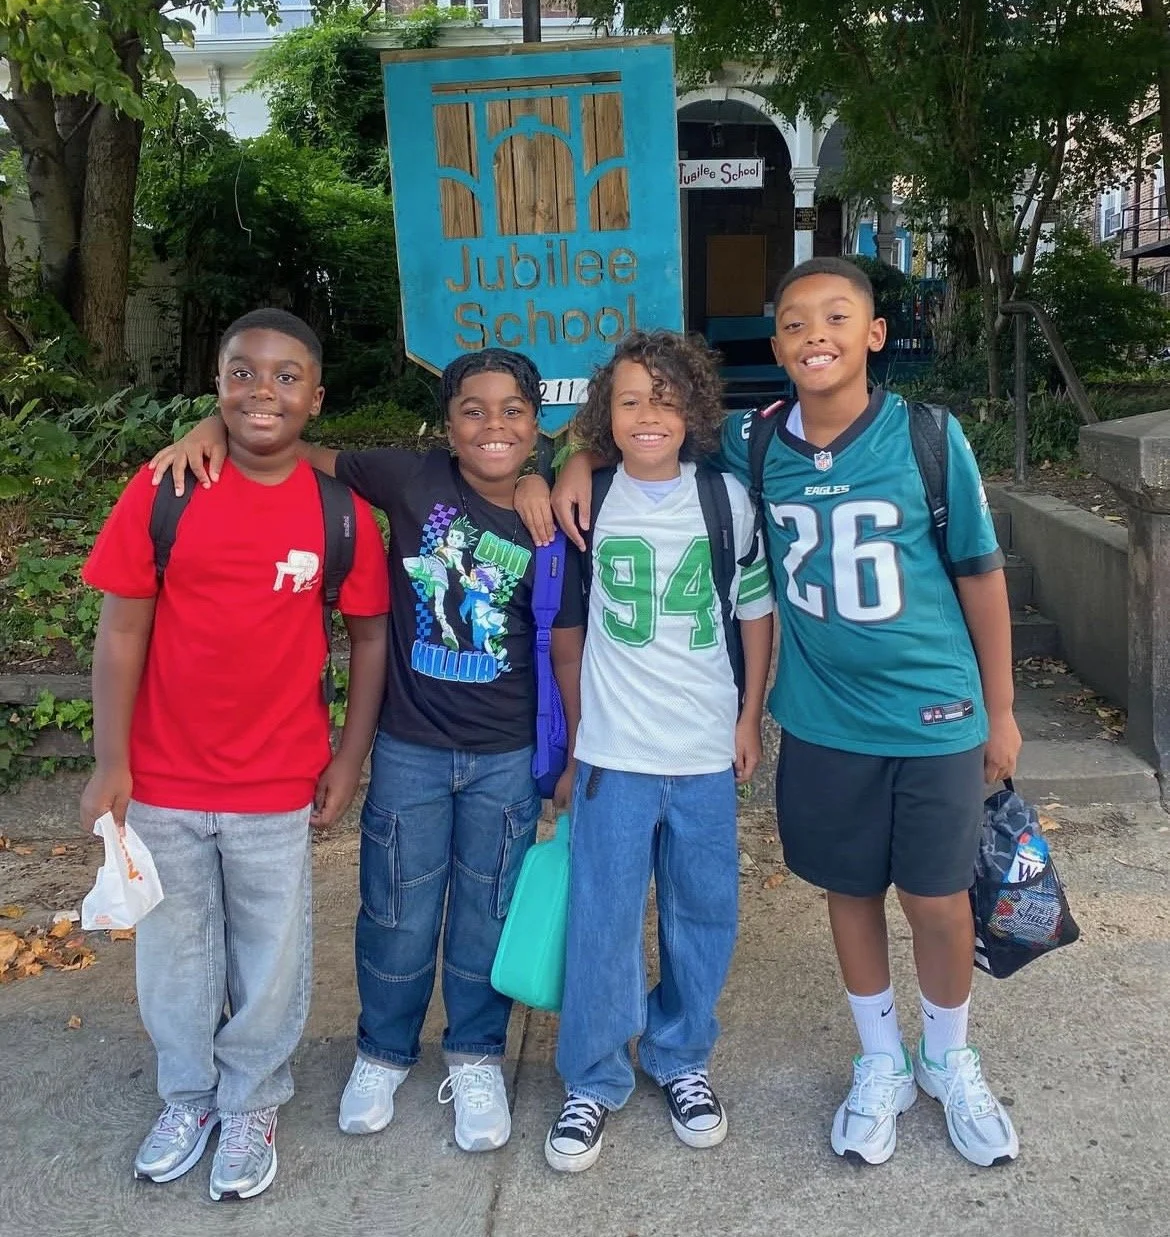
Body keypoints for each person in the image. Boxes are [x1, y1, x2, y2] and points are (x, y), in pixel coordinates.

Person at [534, 258, 1023, 1169]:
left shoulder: (927, 436)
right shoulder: (757, 448)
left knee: (934, 895)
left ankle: (948, 1055)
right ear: (775, 343)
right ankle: (878, 1058)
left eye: (837, 316)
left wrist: (1001, 709)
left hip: (932, 713)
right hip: (822, 719)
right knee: (846, 889)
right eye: (794, 322)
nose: (815, 335)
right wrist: (575, 451)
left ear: (876, 332)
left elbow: (981, 574)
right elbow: (645, 436)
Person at [149, 347, 584, 1155]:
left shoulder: (553, 519)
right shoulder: (408, 478)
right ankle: (383, 1050)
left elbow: (566, 643)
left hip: (505, 755)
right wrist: (214, 419)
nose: (493, 425)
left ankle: (476, 1051)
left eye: (513, 411)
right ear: (446, 426)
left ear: (538, 426)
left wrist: (572, 752)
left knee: (487, 909)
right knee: (395, 908)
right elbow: (283, 439)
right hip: (410, 751)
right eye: (472, 410)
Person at [81, 309, 389, 1201]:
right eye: (244, 373)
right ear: (216, 386)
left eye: (288, 376)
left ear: (317, 397)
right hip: (164, 780)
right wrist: (110, 761)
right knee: (173, 955)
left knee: (272, 953)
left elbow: (368, 638)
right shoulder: (166, 488)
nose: (265, 389)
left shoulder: (340, 511)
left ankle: (252, 1097)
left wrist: (349, 754)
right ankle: (189, 1094)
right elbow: (122, 628)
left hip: (276, 782)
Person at [534, 330, 774, 1173]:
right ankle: (592, 1077)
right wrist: (570, 458)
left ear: (694, 411)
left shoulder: (725, 501)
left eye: (666, 400)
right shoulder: (586, 499)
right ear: (607, 413)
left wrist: (750, 717)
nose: (649, 415)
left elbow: (753, 612)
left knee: (701, 910)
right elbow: (564, 626)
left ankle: (680, 1055)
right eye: (631, 399)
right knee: (602, 918)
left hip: (706, 747)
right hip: (614, 752)